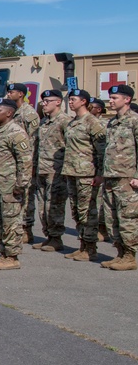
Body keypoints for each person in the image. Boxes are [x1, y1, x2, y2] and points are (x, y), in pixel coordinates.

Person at [0, 97, 33, 270]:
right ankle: (3, 253)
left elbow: (25, 161)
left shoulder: (16, 132)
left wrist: (21, 184)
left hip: (10, 186)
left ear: (10, 113)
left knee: (11, 222)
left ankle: (12, 257)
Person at [61, 89, 106, 262]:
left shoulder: (93, 123)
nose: (70, 102)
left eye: (74, 99)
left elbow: (101, 151)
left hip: (87, 174)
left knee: (88, 211)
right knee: (76, 211)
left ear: (84, 102)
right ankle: (82, 245)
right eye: (70, 99)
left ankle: (91, 248)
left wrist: (100, 174)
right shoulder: (72, 123)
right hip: (72, 172)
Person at [99, 84, 138, 271]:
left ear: (127, 99)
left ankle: (130, 256)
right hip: (110, 177)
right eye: (111, 98)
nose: (111, 101)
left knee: (128, 218)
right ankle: (120, 253)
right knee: (111, 218)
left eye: (115, 98)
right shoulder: (112, 122)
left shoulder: (134, 121)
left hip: (126, 178)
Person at [31, 90, 71, 252]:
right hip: (42, 169)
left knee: (54, 205)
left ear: (58, 102)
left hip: (57, 171)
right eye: (43, 102)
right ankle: (48, 235)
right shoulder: (44, 122)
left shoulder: (65, 121)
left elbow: (71, 147)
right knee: (43, 206)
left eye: (48, 101)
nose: (44, 104)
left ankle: (56, 238)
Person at [5, 83, 40, 245]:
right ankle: (17, 228)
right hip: (12, 163)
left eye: (11, 92)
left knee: (26, 197)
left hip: (25, 162)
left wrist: (30, 166)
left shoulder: (29, 114)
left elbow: (32, 141)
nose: (8, 95)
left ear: (20, 94)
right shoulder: (12, 113)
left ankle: (27, 229)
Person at [89, 97, 112, 241]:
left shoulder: (104, 125)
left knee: (102, 200)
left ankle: (102, 227)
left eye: (92, 106)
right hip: (90, 166)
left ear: (98, 109)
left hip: (104, 167)